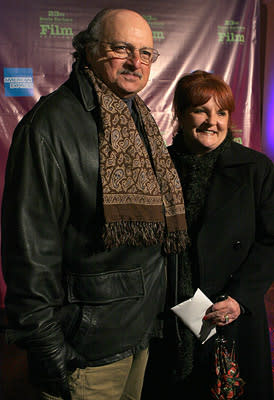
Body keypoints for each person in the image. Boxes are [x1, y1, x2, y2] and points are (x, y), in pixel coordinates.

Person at [1, 8, 188, 400]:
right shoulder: (50, 126)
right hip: (86, 348)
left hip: (139, 335)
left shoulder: (139, 118)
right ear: (88, 50)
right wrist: (47, 347)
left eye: (146, 53)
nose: (136, 62)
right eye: (121, 48)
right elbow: (30, 252)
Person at [141, 70, 274, 400]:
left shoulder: (256, 169)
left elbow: (271, 241)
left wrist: (240, 299)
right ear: (181, 114)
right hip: (167, 313)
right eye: (201, 110)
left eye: (222, 112)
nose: (212, 121)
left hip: (229, 310)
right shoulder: (158, 167)